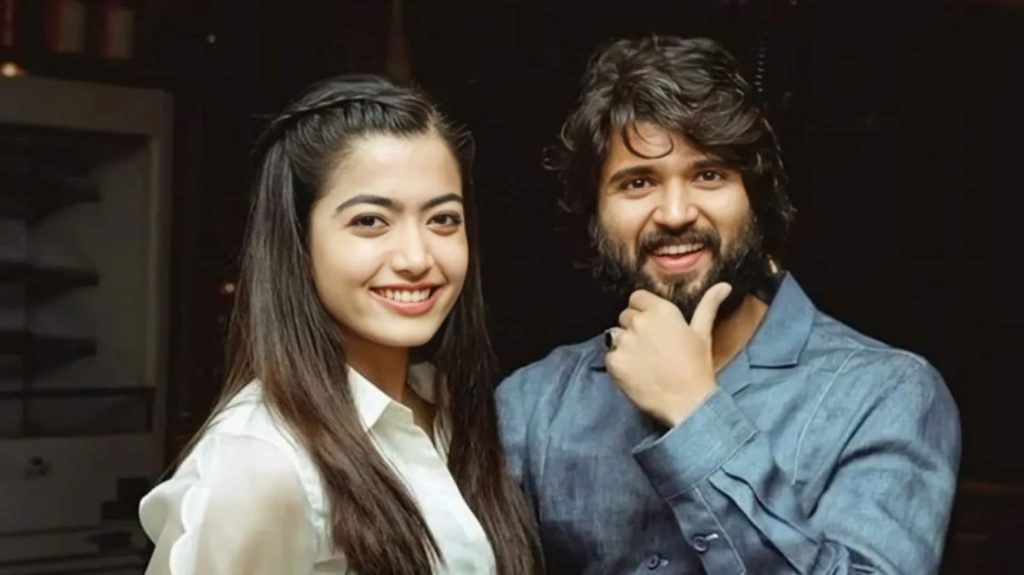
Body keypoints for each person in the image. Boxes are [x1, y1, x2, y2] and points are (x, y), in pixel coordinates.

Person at [497, 36, 960, 574]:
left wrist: (695, 414)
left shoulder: (886, 395)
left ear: (756, 199)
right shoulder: (532, 406)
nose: (675, 213)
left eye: (709, 175)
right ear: (596, 215)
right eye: (638, 182)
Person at [139, 74, 542, 575]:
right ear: (298, 240)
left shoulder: (448, 409)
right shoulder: (262, 463)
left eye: (442, 219)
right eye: (370, 221)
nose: (417, 258)